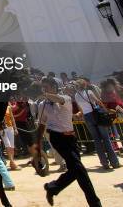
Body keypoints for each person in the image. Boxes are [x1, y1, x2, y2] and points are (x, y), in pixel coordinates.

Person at [36, 77, 101, 207]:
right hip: (57, 138)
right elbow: (41, 125)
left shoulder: (65, 98)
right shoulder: (42, 105)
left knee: (76, 170)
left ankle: (53, 187)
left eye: (46, 87)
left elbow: (58, 99)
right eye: (43, 88)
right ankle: (95, 204)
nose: (44, 90)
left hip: (70, 138)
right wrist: (38, 144)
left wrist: (43, 93)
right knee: (79, 169)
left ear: (54, 87)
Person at [74, 79, 120, 169]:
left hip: (87, 117)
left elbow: (80, 108)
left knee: (97, 140)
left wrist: (82, 116)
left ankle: (104, 163)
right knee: (106, 138)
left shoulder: (76, 95)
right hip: (96, 115)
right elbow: (98, 102)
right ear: (85, 85)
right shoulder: (89, 92)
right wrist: (106, 110)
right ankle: (114, 162)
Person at [100, 79, 123, 154]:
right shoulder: (104, 95)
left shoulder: (117, 91)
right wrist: (113, 111)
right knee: (122, 132)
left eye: (111, 85)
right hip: (117, 115)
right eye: (109, 86)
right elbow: (104, 107)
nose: (111, 87)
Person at [1, 103, 19, 170]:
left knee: (12, 146)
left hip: (10, 127)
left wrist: (15, 128)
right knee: (7, 145)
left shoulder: (8, 107)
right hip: (2, 128)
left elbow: (12, 118)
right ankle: (12, 162)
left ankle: (12, 162)